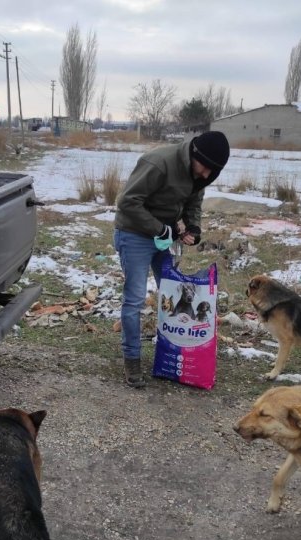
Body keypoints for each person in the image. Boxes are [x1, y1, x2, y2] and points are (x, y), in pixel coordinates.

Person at [114, 130, 230, 388]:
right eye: (205, 168)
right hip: (134, 234)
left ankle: (174, 350)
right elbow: (127, 202)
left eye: (213, 172)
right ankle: (131, 359)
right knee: (134, 298)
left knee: (174, 292)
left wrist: (193, 227)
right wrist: (160, 228)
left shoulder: (201, 173)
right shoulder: (158, 163)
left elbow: (193, 203)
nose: (206, 176)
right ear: (194, 155)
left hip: (163, 239)